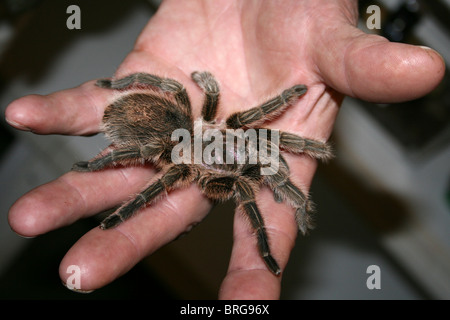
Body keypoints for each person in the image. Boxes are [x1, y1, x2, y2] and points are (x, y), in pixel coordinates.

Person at [4, 0, 444, 299]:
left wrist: (291, 101)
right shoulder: (191, 160)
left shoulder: (227, 127)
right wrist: (111, 185)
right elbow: (227, 166)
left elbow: (234, 108)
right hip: (166, 133)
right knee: (239, 187)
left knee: (192, 109)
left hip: (180, 127)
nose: (247, 150)